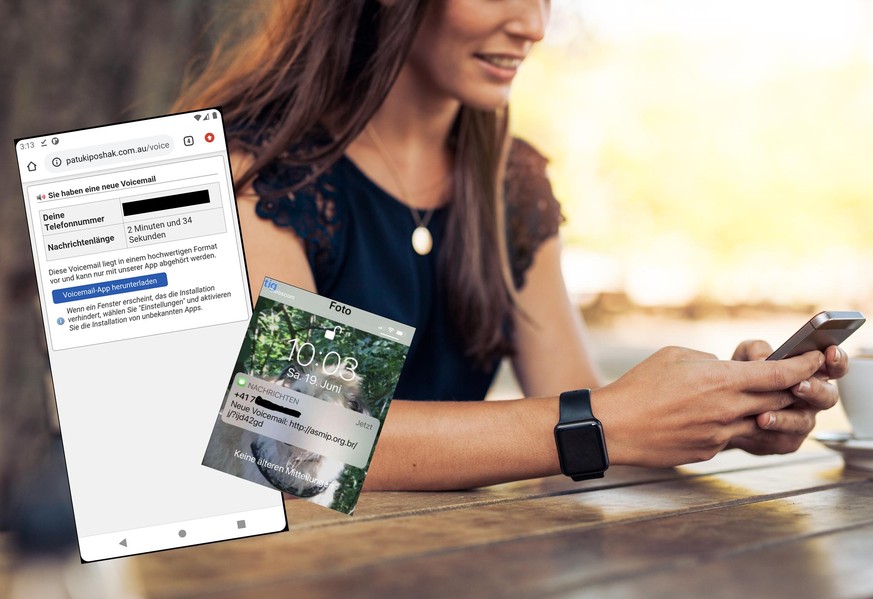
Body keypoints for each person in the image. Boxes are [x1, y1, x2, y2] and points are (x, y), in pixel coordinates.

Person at [175, 0, 846, 490]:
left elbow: (581, 406)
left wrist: (718, 412)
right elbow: (293, 433)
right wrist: (605, 420)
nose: (532, 24)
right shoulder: (251, 169)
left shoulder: (511, 181)